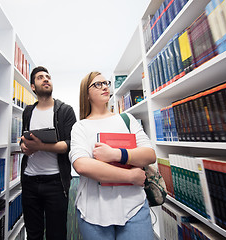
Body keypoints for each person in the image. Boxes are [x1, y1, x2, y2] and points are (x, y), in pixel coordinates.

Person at [69, 71, 156, 240]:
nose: (105, 87)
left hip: (134, 207)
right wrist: (130, 175)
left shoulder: (127, 119)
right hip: (93, 210)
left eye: (106, 83)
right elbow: (82, 165)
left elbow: (149, 154)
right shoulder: (80, 127)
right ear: (86, 94)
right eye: (97, 84)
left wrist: (115, 154)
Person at [20, 66, 77, 240]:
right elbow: (25, 137)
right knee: (33, 234)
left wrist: (40, 146)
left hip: (56, 183)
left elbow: (70, 144)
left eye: (48, 77)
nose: (45, 79)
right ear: (33, 86)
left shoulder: (65, 110)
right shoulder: (28, 111)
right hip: (29, 181)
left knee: (57, 234)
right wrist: (24, 146)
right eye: (40, 77)